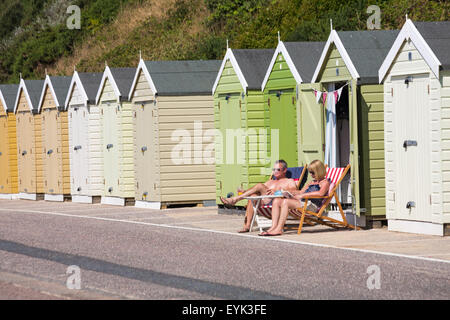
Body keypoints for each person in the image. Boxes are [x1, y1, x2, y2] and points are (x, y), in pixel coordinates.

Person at [220, 160, 297, 233]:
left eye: (278, 169)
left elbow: (294, 192)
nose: (275, 171)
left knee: (260, 185)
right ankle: (247, 226)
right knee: (253, 196)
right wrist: (245, 192)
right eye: (274, 169)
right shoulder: (270, 182)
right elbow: (256, 189)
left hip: (278, 203)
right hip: (265, 203)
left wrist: (277, 192)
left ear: (284, 170)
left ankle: (235, 199)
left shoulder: (289, 181)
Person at [260, 159, 330, 236]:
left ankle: (279, 229)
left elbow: (321, 193)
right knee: (276, 200)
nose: (311, 174)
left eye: (313, 172)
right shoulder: (311, 182)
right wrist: (288, 192)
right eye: (310, 172)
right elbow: (300, 192)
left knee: (285, 202)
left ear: (319, 171)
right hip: (302, 203)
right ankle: (273, 227)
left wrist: (303, 196)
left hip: (311, 205)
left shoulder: (324, 182)